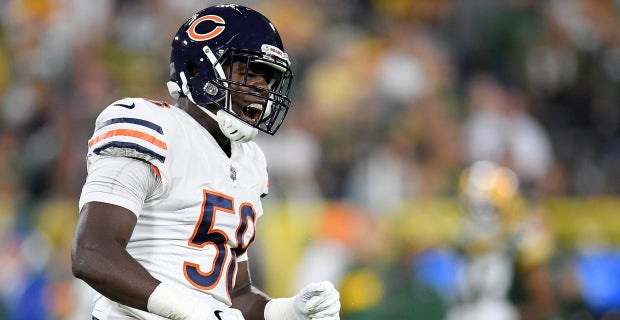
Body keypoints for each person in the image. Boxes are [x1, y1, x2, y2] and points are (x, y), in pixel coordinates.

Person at [71, 4, 341, 320]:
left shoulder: (250, 160)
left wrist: (290, 311)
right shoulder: (150, 126)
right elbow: (92, 253)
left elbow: (235, 297)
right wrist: (192, 309)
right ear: (199, 70)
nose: (261, 87)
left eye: (268, 77)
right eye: (250, 71)